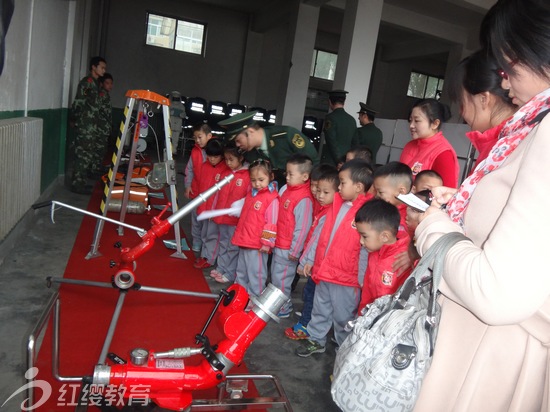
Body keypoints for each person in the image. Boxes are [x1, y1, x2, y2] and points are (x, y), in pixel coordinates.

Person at [412, 0, 550, 410]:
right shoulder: (533, 125)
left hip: (495, 360)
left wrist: (432, 227)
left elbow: (498, 292)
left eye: (509, 69)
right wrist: (467, 207)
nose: (505, 86)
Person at [295, 159, 374, 357]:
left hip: (347, 278)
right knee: (319, 309)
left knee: (343, 316)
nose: (339, 187)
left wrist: (362, 279)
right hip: (324, 272)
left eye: (342, 183)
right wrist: (310, 261)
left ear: (358, 187)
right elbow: (320, 238)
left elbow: (366, 251)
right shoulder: (335, 206)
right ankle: (316, 339)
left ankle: (343, 347)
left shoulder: (366, 214)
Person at [286, 165, 339, 340]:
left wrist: (305, 262)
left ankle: (306, 326)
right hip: (315, 265)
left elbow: (317, 243)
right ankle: (309, 322)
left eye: (325, 192)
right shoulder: (325, 211)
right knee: (310, 295)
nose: (319, 195)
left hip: (317, 266)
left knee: (312, 296)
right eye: (317, 190)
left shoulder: (329, 215)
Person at [448, 49, 517, 172]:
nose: (461, 112)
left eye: (462, 102)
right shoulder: (515, 141)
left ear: (483, 99)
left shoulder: (502, 151)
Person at [218, 111, 319, 186]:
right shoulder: (247, 153)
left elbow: (314, 163)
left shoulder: (286, 136)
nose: (237, 145)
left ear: (251, 132)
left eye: (238, 140)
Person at [270, 154, 314, 318]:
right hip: (279, 243)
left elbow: (302, 229)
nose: (286, 177)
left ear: (304, 176)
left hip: (288, 249)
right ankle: (278, 303)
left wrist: (295, 251)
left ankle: (284, 306)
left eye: (291, 174)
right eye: (286, 173)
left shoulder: (304, 199)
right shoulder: (286, 190)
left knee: (282, 280)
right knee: (276, 276)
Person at [232, 159, 279, 299]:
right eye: (253, 180)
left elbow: (271, 223)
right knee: (241, 270)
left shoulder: (272, 199)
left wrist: (266, 243)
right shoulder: (251, 194)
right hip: (245, 240)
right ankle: (239, 295)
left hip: (258, 245)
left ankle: (255, 297)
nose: (257, 183)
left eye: (261, 179)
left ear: (271, 177)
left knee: (256, 273)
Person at [355, 199, 412, 313]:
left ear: (385, 236)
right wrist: (362, 311)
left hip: (389, 320)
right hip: (371, 315)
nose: (361, 241)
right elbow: (367, 287)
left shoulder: (405, 257)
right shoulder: (374, 253)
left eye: (364, 236)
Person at [209, 141, 250, 283]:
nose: (228, 162)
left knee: (232, 247)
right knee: (222, 243)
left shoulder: (247, 176)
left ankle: (230, 273)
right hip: (221, 217)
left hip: (234, 221)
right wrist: (214, 212)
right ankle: (221, 267)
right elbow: (217, 194)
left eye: (231, 159)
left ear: (241, 158)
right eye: (226, 159)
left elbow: (249, 199)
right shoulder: (225, 173)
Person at [400, 98, 459, 188]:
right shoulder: (410, 145)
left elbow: (445, 194)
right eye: (410, 120)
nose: (411, 125)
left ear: (435, 124)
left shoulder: (443, 153)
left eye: (417, 121)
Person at [70, 56, 107, 194]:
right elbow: (79, 102)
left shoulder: (97, 84)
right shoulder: (87, 83)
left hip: (92, 126)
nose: (103, 70)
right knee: (82, 155)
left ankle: (81, 182)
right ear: (93, 67)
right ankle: (77, 184)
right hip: (85, 125)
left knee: (88, 155)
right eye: (101, 67)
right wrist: (74, 119)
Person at [194, 139, 230, 270]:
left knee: (213, 235)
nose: (212, 159)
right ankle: (205, 255)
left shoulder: (226, 170)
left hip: (215, 210)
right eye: (210, 156)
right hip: (204, 208)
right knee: (204, 233)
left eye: (216, 156)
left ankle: (209, 258)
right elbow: (201, 188)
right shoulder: (204, 166)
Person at [184, 123, 213, 252]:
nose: (197, 140)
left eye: (200, 137)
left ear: (209, 136)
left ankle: (207, 245)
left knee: (207, 220)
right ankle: (196, 241)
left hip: (210, 192)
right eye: (195, 138)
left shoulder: (215, 150)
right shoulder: (195, 151)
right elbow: (189, 169)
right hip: (196, 190)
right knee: (195, 218)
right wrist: (188, 185)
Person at [372, 161, 413, 232]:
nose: (376, 195)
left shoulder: (405, 219)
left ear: (401, 191)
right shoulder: (380, 207)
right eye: (376, 191)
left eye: (380, 192)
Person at [320, 90, 357, 166]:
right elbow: (355, 143)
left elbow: (331, 141)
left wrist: (339, 161)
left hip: (331, 160)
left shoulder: (330, 118)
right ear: (344, 102)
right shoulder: (352, 120)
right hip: (347, 160)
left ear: (330, 102)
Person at [98, 72, 114, 161]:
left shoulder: (106, 95)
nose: (110, 86)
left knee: (102, 149)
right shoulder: (102, 95)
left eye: (111, 83)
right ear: (102, 83)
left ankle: (96, 168)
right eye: (107, 83)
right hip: (101, 127)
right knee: (100, 149)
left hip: (104, 127)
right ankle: (94, 170)